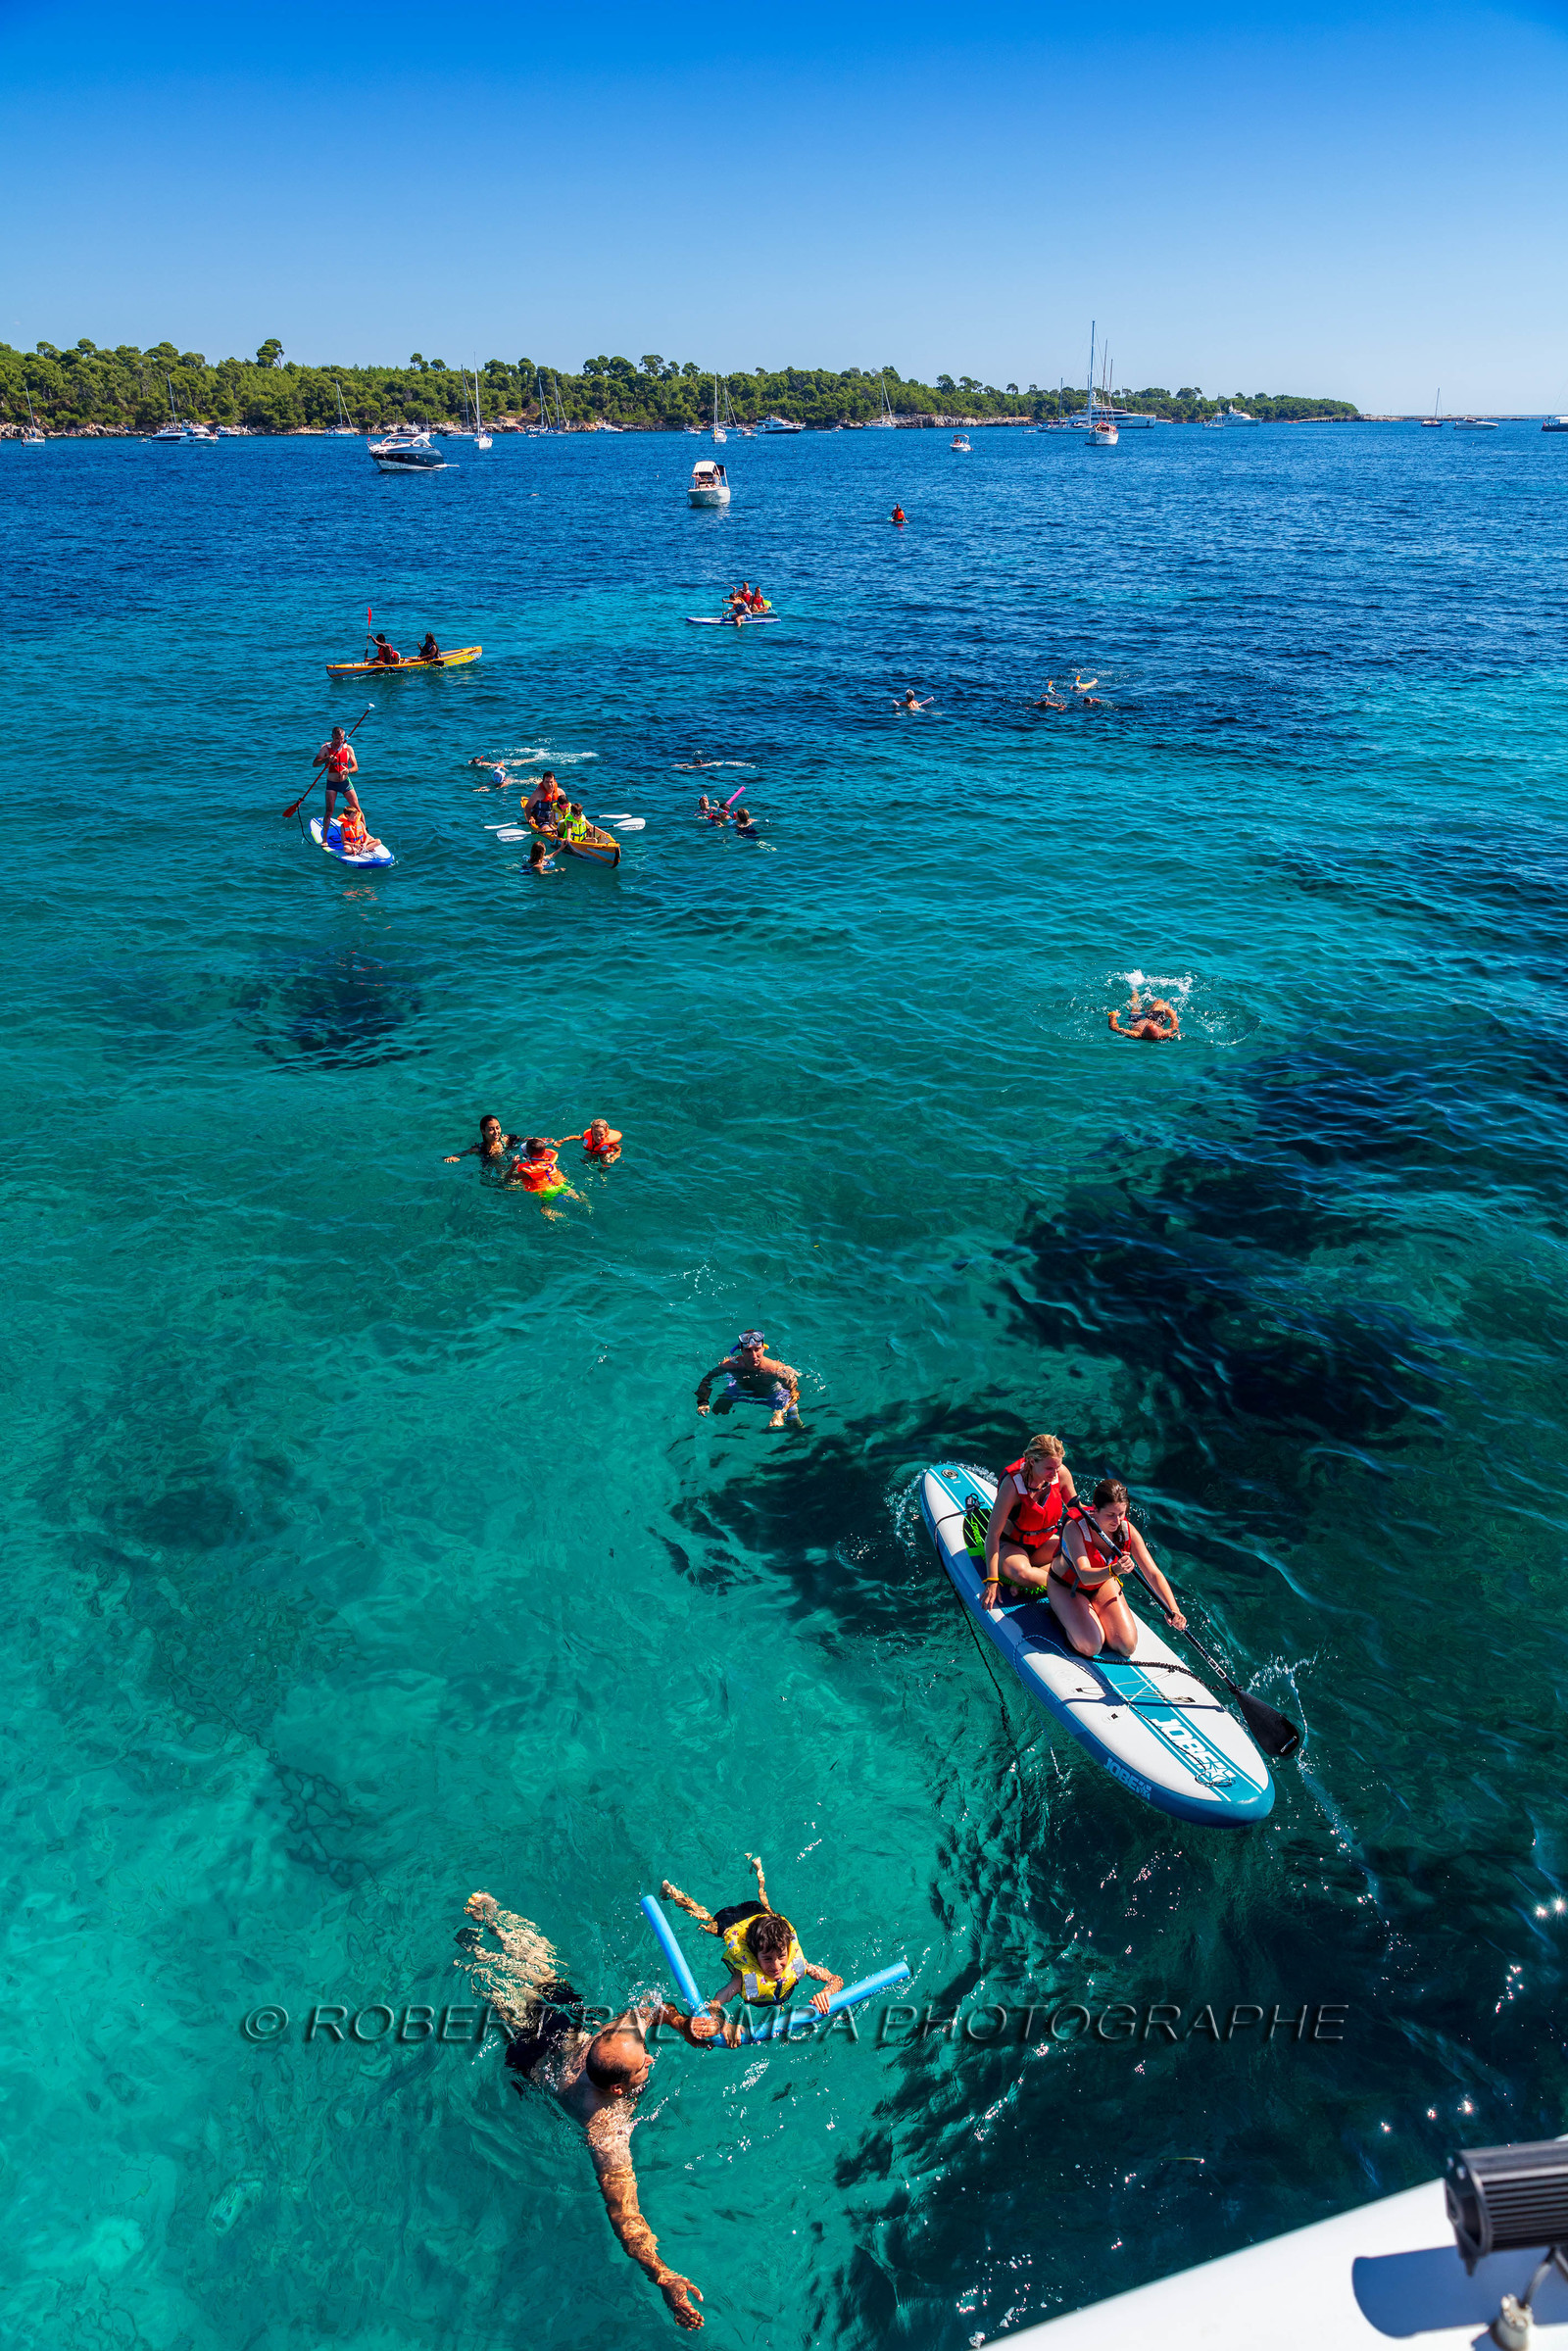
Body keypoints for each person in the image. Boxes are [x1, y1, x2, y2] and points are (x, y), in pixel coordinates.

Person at [460, 1891, 711, 2333]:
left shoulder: (617, 2037)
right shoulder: (605, 2126)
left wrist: (685, 2027)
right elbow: (623, 2214)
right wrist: (663, 2274)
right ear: (618, 2088)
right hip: (532, 2059)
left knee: (533, 1973)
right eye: (642, 2066)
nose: (650, 2060)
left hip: (557, 2038)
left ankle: (489, 1924)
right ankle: (476, 1948)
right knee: (517, 1994)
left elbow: (654, 2010)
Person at [661, 1856, 844, 2040]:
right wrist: (722, 2022)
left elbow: (835, 1979)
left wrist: (826, 1992)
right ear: (755, 1957)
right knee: (705, 1921)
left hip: (759, 1916)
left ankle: (759, 1871)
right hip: (732, 1924)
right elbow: (717, 2001)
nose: (777, 1965)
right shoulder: (743, 1978)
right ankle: (675, 1894)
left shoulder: (797, 1963)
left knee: (767, 1908)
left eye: (781, 1956)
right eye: (767, 1959)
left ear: (787, 1950)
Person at [1051, 1477, 1187, 1659]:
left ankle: (1089, 1614)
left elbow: (1153, 1573)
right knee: (1091, 1646)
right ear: (1095, 1509)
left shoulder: (1126, 1530)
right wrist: (1114, 1570)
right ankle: (1062, 1618)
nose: (1117, 1521)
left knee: (1127, 1645)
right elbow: (1084, 1575)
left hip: (1101, 1585)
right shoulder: (1074, 1528)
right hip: (1066, 1586)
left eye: (1121, 1514)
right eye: (1110, 1515)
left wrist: (1173, 1609)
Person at [979, 1434, 1079, 1611]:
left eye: (1058, 1466)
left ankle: (1032, 1582)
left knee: (1082, 1553)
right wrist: (992, 1580)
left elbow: (1077, 1512)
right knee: (1023, 1573)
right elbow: (993, 1534)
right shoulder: (1012, 1485)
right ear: (1032, 1461)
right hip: (1011, 1546)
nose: (1055, 1473)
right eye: (1049, 1468)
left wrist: (1104, 1517)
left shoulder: (1060, 1474)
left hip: (1042, 1544)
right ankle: (1066, 1582)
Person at [696, 1331, 804, 1432]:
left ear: (763, 1348)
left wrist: (780, 1413)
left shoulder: (775, 1368)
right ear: (741, 1350)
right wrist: (703, 1402)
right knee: (717, 1411)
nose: (753, 1356)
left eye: (757, 1349)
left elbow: (794, 1392)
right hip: (740, 1391)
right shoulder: (730, 1365)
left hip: (773, 1395)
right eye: (748, 1350)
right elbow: (706, 1380)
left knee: (795, 1423)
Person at [507, 1137, 581, 1213]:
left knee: (545, 1209)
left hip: (546, 1192)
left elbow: (508, 1178)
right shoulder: (549, 1162)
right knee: (575, 1196)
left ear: (528, 1154)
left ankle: (555, 1217)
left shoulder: (527, 1172)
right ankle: (586, 1204)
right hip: (561, 1185)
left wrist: (513, 1166)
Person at [313, 726, 362, 837]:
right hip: (332, 784)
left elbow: (356, 768)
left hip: (345, 783)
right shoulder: (325, 748)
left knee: (357, 809)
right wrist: (326, 759)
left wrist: (348, 770)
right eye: (336, 738)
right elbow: (315, 763)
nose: (338, 741)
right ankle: (324, 839)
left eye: (341, 738)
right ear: (332, 737)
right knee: (329, 811)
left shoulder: (348, 748)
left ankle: (365, 834)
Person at [445, 1113, 520, 1164]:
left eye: (497, 1128)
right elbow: (459, 1155)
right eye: (491, 1129)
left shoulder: (506, 1139)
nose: (496, 1132)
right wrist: (453, 1158)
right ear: (483, 1131)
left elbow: (523, 1139)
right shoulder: (480, 1149)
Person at [1108, 993, 1180, 1042]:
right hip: (1155, 1018)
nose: (1146, 1023)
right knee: (1160, 1002)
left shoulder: (1136, 1034)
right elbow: (1174, 1026)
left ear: (1142, 1032)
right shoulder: (1164, 1034)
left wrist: (1113, 1016)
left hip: (1136, 1020)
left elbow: (1114, 1028)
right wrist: (1171, 1013)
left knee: (1134, 1004)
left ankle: (1134, 990)